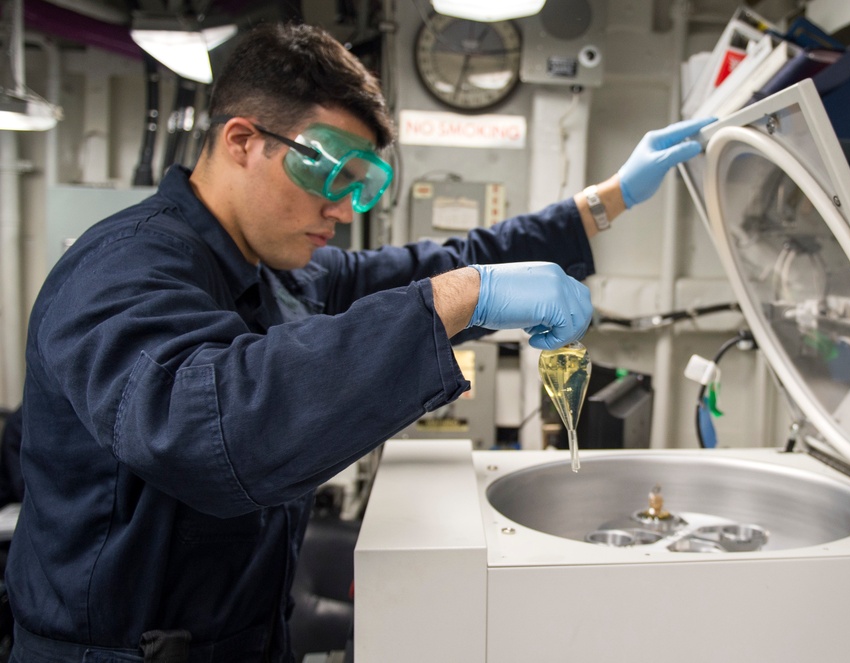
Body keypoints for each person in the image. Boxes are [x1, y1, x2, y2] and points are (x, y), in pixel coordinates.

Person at [6, 20, 713, 663]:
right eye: (329, 176)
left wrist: (607, 197)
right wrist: (464, 297)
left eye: (363, 186)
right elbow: (204, 428)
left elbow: (452, 259)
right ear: (242, 141)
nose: (343, 212)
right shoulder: (123, 265)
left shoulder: (280, 270)